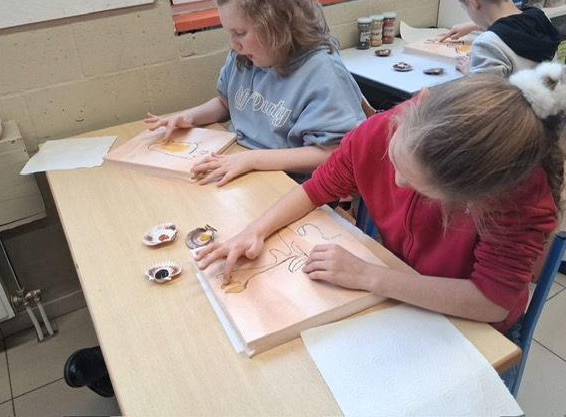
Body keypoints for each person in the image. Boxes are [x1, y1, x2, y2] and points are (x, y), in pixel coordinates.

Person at [195, 62, 566, 334]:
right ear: (418, 103)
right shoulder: (381, 130)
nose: (397, 180)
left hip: (469, 320)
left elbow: (491, 302)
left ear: (471, 198)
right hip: (404, 279)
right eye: (396, 159)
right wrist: (256, 229)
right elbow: (318, 188)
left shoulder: (516, 198)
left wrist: (368, 275)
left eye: (417, 185)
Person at [145, 0, 367, 186]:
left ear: (277, 25)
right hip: (244, 166)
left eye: (240, 33)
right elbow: (226, 103)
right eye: (230, 33)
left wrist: (253, 159)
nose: (233, 44)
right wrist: (189, 117)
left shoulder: (321, 73)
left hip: (289, 184)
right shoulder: (246, 56)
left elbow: (333, 153)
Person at [438, 0, 562, 77]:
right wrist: (475, 26)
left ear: (473, 3)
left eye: (464, 8)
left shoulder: (487, 44)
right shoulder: (541, 19)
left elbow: (483, 89)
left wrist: (471, 72)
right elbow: (513, 29)